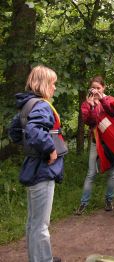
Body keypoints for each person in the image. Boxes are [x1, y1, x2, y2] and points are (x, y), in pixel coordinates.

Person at [8, 65, 65, 262]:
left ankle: (39, 258)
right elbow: (34, 131)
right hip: (42, 169)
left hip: (32, 167)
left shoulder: (27, 105)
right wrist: (49, 149)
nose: (55, 88)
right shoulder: (41, 105)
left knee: (33, 222)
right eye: (53, 84)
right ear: (43, 84)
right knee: (41, 224)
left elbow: (14, 132)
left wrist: (30, 149)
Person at [75, 76, 114, 215]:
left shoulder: (109, 99)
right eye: (93, 88)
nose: (96, 91)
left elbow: (113, 112)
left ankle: (109, 200)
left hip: (111, 142)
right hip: (96, 142)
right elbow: (90, 121)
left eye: (99, 88)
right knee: (91, 173)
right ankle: (83, 203)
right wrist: (92, 105)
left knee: (111, 173)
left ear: (104, 88)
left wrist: (102, 99)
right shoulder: (86, 104)